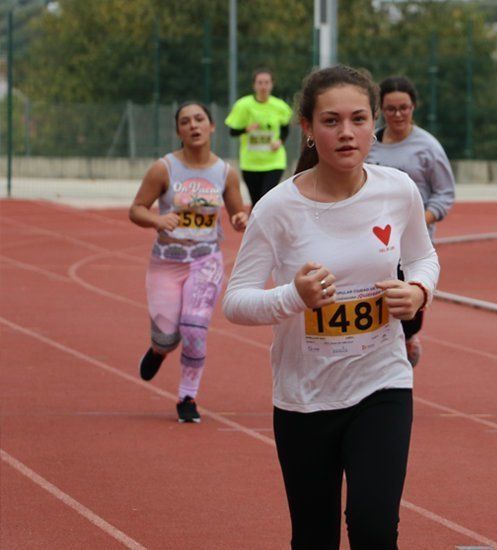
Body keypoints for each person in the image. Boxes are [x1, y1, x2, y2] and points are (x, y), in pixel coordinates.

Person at [222, 65, 439, 549]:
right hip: (305, 396)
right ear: (307, 128)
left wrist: (419, 290)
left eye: (359, 119)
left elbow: (423, 256)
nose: (347, 133)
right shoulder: (277, 208)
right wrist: (293, 297)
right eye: (331, 121)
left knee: (373, 527)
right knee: (315, 537)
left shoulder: (397, 189)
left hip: (382, 383)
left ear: (374, 123)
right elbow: (236, 302)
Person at [129, 102, 248, 423]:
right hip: (167, 262)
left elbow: (238, 212)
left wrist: (239, 218)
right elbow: (137, 208)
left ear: (212, 127)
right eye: (185, 121)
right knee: (168, 335)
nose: (193, 125)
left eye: (199, 119)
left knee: (194, 328)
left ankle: (187, 397)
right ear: (178, 130)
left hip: (205, 261)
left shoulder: (225, 173)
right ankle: (158, 349)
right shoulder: (163, 169)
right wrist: (158, 220)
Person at [366, 75, 455, 367]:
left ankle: (407, 339)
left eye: (403, 108)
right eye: (391, 109)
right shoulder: (371, 145)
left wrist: (419, 219)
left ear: (413, 107)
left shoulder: (428, 147)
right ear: (380, 111)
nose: (398, 115)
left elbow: (445, 193)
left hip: (411, 245)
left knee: (406, 308)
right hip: (371, 239)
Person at [225, 68, 294, 206]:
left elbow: (285, 129)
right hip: (250, 162)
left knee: (267, 199)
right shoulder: (243, 105)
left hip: (274, 161)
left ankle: (272, 227)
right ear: (254, 85)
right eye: (260, 82)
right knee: (256, 202)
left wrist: (280, 141)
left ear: (272, 84)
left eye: (267, 82)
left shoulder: (280, 106)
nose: (263, 86)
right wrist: (246, 129)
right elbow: (232, 132)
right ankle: (254, 226)